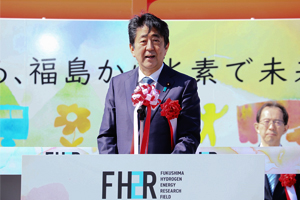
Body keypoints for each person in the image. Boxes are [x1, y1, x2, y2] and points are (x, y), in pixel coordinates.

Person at [97, 13, 201, 154]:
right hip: (123, 173)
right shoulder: (118, 85)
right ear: (132, 49)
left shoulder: (184, 85)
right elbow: (106, 136)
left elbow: (189, 136)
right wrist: (116, 170)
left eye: (156, 40)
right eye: (143, 41)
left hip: (163, 173)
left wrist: (166, 170)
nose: (150, 47)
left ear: (166, 47)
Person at [254, 102, 300, 200]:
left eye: (277, 122)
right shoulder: (246, 161)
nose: (271, 127)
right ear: (257, 127)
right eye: (266, 121)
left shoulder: (295, 162)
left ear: (285, 128)